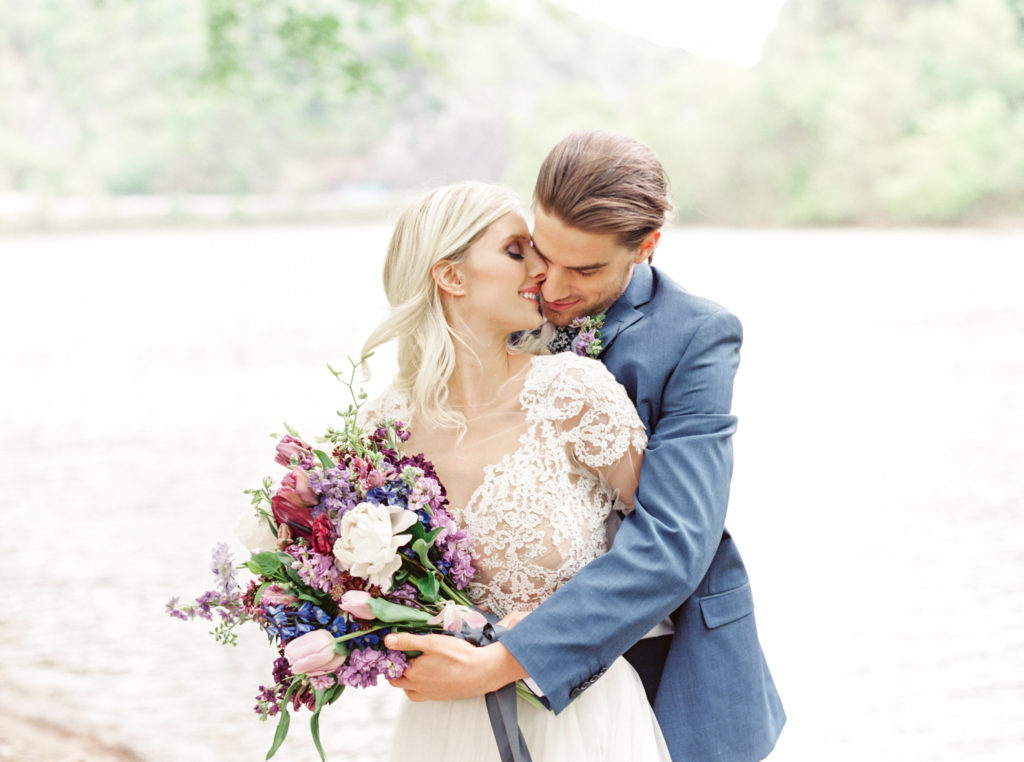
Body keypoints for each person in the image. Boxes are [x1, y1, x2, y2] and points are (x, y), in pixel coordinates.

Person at [385, 131, 786, 761]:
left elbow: (675, 539)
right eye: (541, 253)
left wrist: (503, 662)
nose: (552, 285)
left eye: (587, 269)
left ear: (645, 248)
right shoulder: (498, 306)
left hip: (662, 661)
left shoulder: (695, 336)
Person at [361, 181, 672, 761]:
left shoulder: (573, 392)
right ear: (450, 276)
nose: (543, 272)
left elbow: (663, 555)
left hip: (579, 719)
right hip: (445, 726)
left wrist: (534, 640)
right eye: (516, 251)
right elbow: (362, 589)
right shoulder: (384, 425)